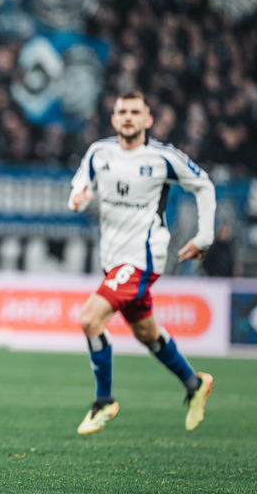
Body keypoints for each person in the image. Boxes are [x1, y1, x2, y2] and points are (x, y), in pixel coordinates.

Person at [69, 90, 215, 435]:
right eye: (122, 111)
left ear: (148, 120)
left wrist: (204, 236)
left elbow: (204, 184)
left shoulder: (163, 158)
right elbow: (79, 184)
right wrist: (76, 198)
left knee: (90, 319)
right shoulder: (98, 152)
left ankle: (103, 401)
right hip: (113, 259)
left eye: (136, 111)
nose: (128, 117)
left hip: (143, 256)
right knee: (147, 332)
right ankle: (194, 382)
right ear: (113, 118)